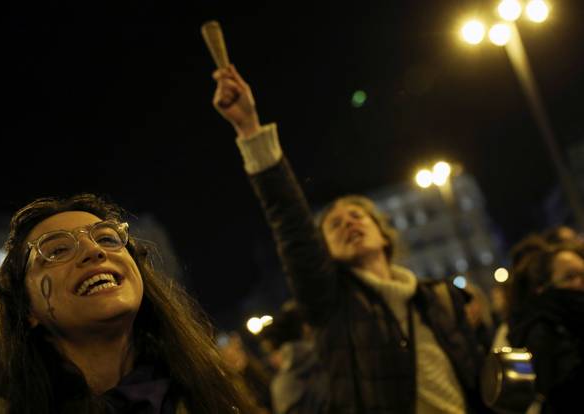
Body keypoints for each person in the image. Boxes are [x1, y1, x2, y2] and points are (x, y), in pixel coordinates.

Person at [212, 65, 487, 413]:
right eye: (335, 225)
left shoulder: (438, 298)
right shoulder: (332, 304)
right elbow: (290, 222)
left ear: (383, 234)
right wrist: (249, 127)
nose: (348, 223)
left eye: (357, 215)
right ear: (323, 252)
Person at [0, 194, 255, 414]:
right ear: (27, 309)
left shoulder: (211, 393)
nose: (94, 250)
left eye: (107, 238)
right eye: (58, 250)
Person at [506, 235, 584, 413]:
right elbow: (564, 391)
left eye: (583, 274)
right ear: (543, 286)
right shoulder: (540, 327)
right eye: (570, 277)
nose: (580, 283)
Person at [259, 301, 329, 414]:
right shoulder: (323, 352)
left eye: (271, 353)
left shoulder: (283, 385)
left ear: (280, 350)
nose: (270, 360)